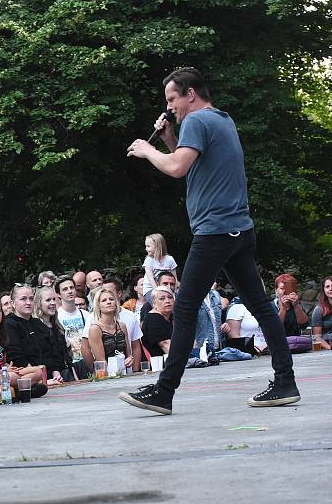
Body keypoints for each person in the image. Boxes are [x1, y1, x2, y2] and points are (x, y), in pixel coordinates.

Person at [122, 67, 299, 414]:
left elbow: (175, 169)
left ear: (190, 94)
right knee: (261, 306)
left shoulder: (198, 121)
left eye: (172, 99)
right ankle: (285, 382)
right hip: (238, 230)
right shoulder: (223, 119)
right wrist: (169, 137)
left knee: (185, 307)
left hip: (216, 231)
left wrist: (147, 149)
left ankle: (164, 391)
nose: (170, 106)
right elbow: (188, 163)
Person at [32, 286, 75, 385]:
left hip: (65, 374)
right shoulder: (35, 327)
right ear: (38, 303)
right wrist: (54, 372)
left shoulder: (57, 325)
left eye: (54, 299)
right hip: (50, 377)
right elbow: (44, 356)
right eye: (48, 300)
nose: (52, 303)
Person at [87, 288, 133, 371]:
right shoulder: (95, 329)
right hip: (106, 375)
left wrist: (130, 359)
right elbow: (101, 361)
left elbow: (128, 354)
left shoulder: (122, 326)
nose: (109, 302)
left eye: (111, 299)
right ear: (98, 306)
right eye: (104, 300)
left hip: (124, 372)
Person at [55, 276, 90, 364]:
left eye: (71, 288)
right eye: (65, 289)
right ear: (58, 294)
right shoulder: (56, 317)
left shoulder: (86, 315)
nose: (70, 291)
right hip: (69, 363)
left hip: (88, 360)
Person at [142, 233, 179, 305]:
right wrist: (158, 292)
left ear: (157, 246)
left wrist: (174, 292)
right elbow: (151, 279)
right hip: (151, 289)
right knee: (160, 304)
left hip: (168, 289)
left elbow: (174, 278)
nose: (146, 249)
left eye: (148, 246)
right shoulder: (148, 260)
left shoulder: (169, 260)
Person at [141, 286, 174, 357]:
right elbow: (166, 346)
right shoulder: (153, 319)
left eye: (170, 297)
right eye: (162, 299)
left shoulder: (171, 317)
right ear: (154, 304)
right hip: (157, 365)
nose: (167, 301)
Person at [311, 276, 332, 347]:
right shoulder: (319, 310)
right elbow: (317, 338)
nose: (330, 289)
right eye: (327, 286)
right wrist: (329, 348)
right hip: (327, 348)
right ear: (324, 290)